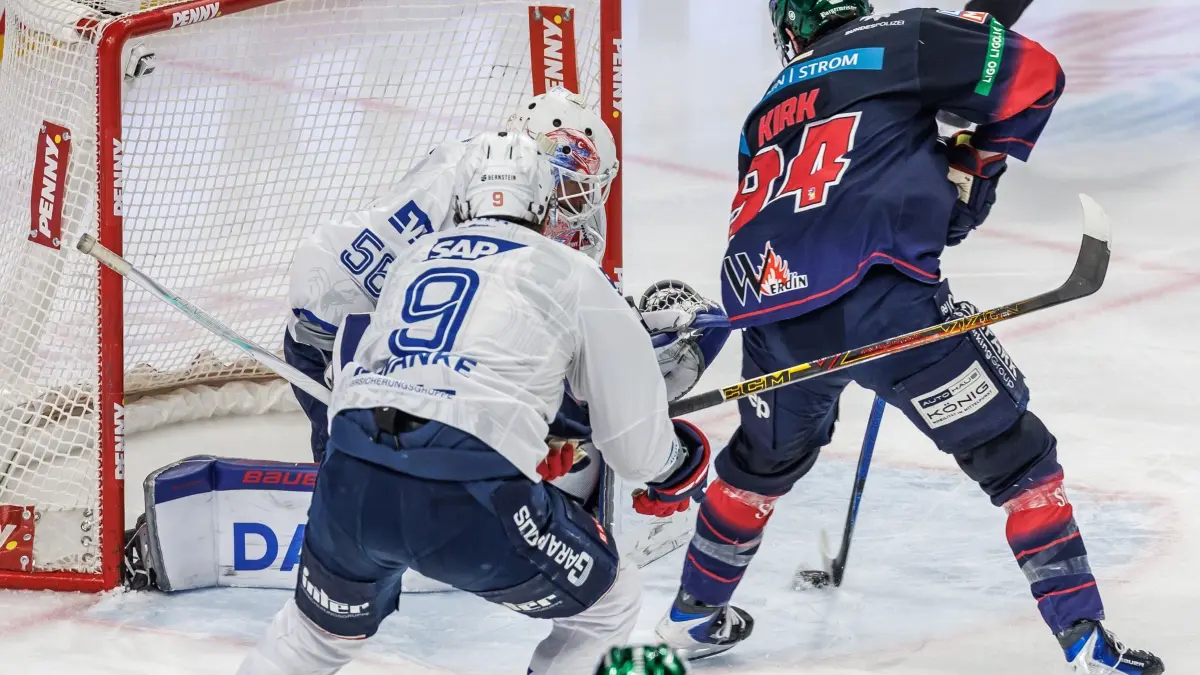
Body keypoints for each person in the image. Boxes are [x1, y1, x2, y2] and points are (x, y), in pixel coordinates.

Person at [653, 2, 1165, 673]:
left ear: (789, 31)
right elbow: (1036, 73)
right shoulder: (909, 34)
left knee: (759, 465)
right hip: (886, 305)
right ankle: (1085, 642)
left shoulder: (765, 106)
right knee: (1016, 458)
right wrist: (974, 165)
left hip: (771, 314)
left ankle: (691, 614)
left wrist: (928, 179)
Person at [236, 132, 717, 675]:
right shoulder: (574, 273)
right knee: (610, 604)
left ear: (463, 201)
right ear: (544, 204)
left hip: (350, 476)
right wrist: (680, 463)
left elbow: (380, 381)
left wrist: (518, 442)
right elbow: (635, 449)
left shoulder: (411, 259)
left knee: (309, 639)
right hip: (469, 497)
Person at [284, 87, 619, 462]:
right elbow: (353, 300)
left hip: (403, 334)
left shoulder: (550, 209)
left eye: (584, 186)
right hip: (338, 333)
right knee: (369, 464)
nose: (577, 201)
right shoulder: (453, 184)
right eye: (567, 182)